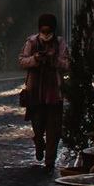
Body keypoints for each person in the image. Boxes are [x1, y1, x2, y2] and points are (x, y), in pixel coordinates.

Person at [19, 12, 66, 171]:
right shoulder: (31, 42)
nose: (46, 35)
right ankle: (39, 142)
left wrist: (55, 61)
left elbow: (68, 64)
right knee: (38, 126)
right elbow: (22, 61)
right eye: (43, 31)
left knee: (54, 130)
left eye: (48, 31)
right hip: (36, 93)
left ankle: (50, 160)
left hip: (54, 94)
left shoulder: (60, 44)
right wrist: (35, 59)